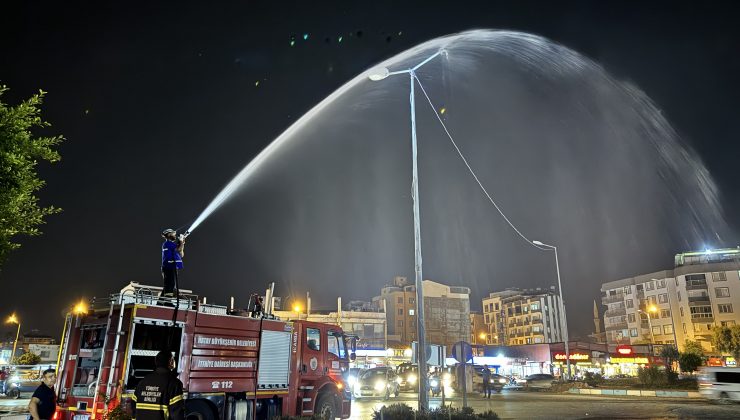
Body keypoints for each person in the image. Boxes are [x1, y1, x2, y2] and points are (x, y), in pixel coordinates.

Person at [131, 350, 184, 420]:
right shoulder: (174, 383)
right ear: (171, 361)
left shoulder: (143, 381)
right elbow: (177, 413)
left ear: (156, 362)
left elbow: (133, 406)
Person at [161, 229, 185, 298]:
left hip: (172, 266)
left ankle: (161, 302)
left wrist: (182, 243)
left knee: (169, 284)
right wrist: (180, 241)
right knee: (170, 284)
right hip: (168, 266)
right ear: (168, 235)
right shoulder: (167, 244)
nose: (175, 235)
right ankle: (167, 301)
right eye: (173, 234)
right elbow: (178, 249)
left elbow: (181, 254)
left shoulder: (172, 245)